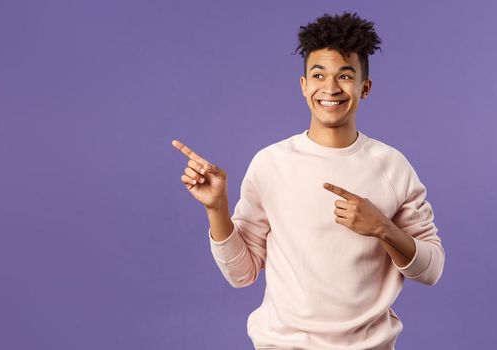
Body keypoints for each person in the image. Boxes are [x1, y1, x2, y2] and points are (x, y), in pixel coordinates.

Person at [170, 12, 444, 350]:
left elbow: (431, 270)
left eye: (345, 76)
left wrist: (383, 228)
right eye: (318, 75)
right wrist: (217, 208)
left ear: (365, 87)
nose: (330, 88)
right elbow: (241, 274)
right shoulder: (271, 163)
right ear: (304, 86)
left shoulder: (392, 166)